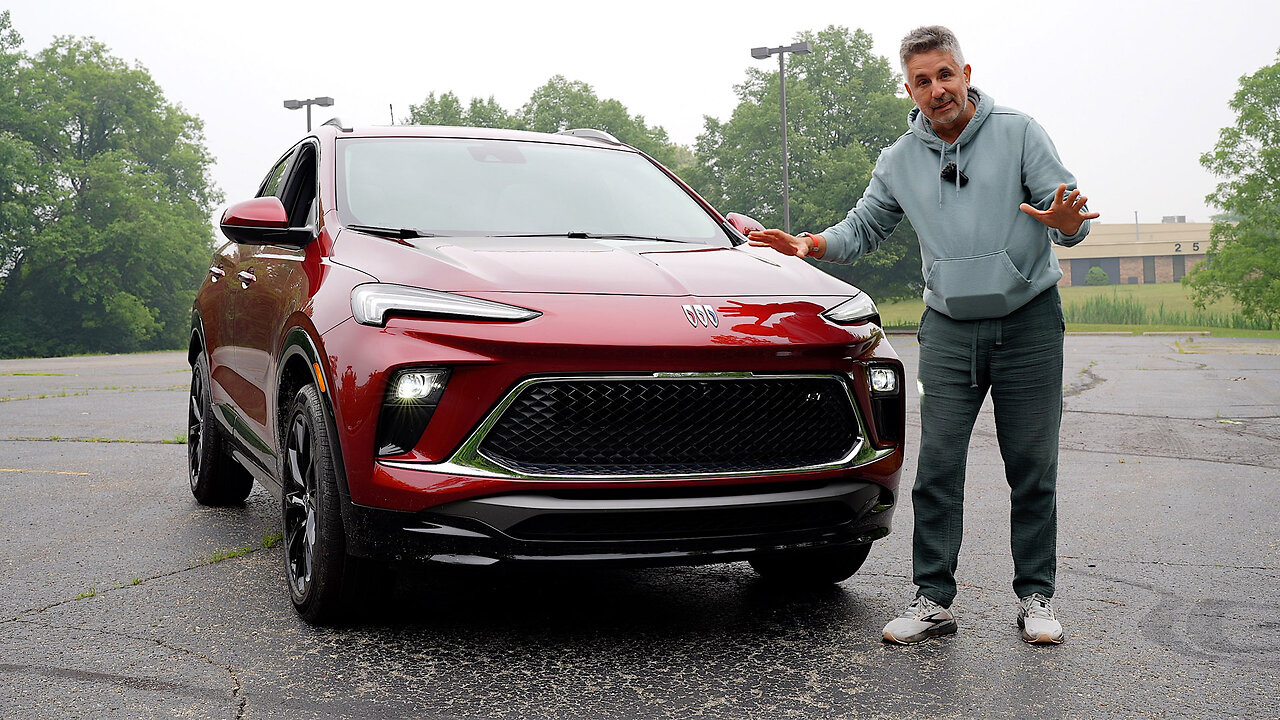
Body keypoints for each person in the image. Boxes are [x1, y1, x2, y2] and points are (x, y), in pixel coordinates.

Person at [748, 25, 1098, 645]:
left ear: (966, 72)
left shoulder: (1019, 133)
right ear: (907, 87)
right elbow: (863, 228)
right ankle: (933, 599)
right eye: (922, 81)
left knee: (1032, 465)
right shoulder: (899, 160)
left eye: (945, 75)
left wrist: (1068, 225)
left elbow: (1064, 212)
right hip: (948, 328)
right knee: (937, 467)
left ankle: (1036, 598)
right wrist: (807, 244)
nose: (937, 90)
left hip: (1029, 324)